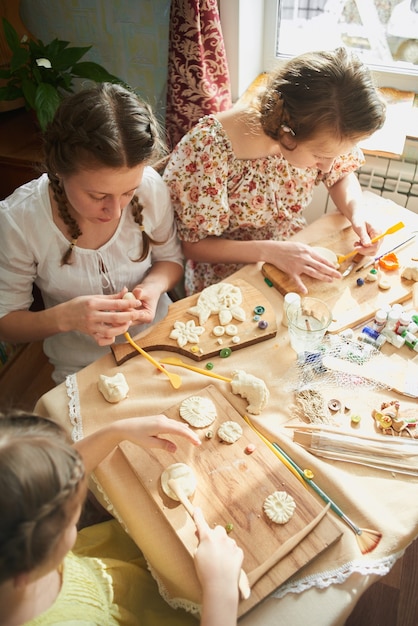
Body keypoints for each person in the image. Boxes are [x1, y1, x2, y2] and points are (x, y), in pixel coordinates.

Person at [163, 47, 387, 296]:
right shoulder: (207, 150)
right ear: (286, 132)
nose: (327, 166)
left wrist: (357, 214)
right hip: (228, 278)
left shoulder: (327, 129)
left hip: (296, 251)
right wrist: (271, 251)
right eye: (320, 157)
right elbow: (193, 245)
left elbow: (341, 175)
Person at [0, 83, 184, 384]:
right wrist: (66, 317)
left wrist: (151, 290)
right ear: (59, 170)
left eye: (128, 192)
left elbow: (171, 260)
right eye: (98, 196)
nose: (115, 212)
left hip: (162, 338)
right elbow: (6, 323)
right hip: (82, 365)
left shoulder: (151, 186)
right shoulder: (19, 219)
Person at [0, 410, 243, 626]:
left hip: (117, 576)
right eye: (71, 522)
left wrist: (116, 432)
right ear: (27, 568)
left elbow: (50, 484)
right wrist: (220, 590)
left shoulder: (16, 554)